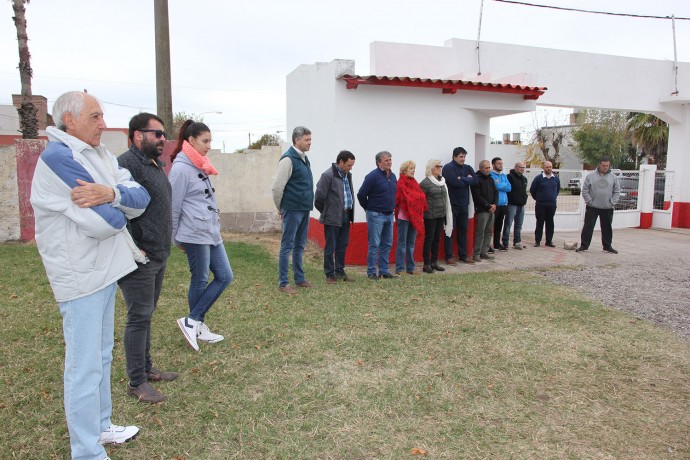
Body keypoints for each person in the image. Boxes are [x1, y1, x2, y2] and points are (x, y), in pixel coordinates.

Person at [30, 91, 147, 459]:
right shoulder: (59, 157)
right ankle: (85, 451)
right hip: (80, 276)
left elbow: (140, 197)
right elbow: (106, 223)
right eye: (95, 116)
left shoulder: (99, 155)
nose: (102, 123)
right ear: (70, 121)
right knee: (83, 366)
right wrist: (118, 201)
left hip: (104, 270)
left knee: (101, 354)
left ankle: (100, 426)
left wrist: (109, 192)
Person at [117, 113, 177, 404]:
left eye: (163, 134)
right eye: (157, 134)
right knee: (138, 317)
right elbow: (119, 207)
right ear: (137, 135)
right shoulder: (126, 165)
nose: (163, 139)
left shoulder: (153, 164)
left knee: (146, 314)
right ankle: (136, 381)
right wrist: (134, 247)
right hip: (139, 257)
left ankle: (146, 368)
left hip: (158, 252)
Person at [170, 120, 233, 352]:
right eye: (205, 141)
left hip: (210, 231)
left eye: (210, 141)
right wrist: (176, 237)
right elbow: (173, 207)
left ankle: (194, 321)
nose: (208, 146)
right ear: (191, 141)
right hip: (193, 233)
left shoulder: (200, 165)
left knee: (225, 276)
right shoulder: (180, 169)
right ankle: (194, 323)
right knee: (200, 278)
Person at [272, 126, 314, 294]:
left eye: (310, 139)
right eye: (307, 140)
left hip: (304, 209)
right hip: (292, 209)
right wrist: (280, 208)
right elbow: (277, 188)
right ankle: (283, 283)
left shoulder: (304, 159)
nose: (310, 143)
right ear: (297, 140)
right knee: (287, 246)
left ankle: (299, 279)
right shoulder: (288, 159)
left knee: (300, 245)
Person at [314, 150, 356, 283]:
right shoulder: (327, 175)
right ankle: (329, 275)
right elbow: (319, 198)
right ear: (341, 162)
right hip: (332, 217)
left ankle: (340, 271)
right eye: (349, 165)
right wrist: (327, 212)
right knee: (331, 247)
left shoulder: (347, 175)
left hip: (345, 215)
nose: (351, 168)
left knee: (342, 245)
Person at [357, 151, 398, 280]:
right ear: (379, 162)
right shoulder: (372, 176)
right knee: (374, 244)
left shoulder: (393, 176)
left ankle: (384, 271)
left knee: (387, 244)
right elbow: (361, 195)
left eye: (390, 159)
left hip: (389, 214)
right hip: (376, 214)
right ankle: (371, 272)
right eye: (386, 160)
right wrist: (368, 208)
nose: (389, 162)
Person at [576, 157, 621, 254]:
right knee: (588, 227)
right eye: (604, 166)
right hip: (593, 207)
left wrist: (612, 202)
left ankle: (607, 246)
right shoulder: (590, 176)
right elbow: (585, 190)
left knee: (607, 228)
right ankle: (584, 246)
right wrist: (589, 201)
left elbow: (617, 191)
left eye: (607, 166)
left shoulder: (614, 177)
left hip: (607, 207)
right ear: (599, 165)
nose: (606, 168)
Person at [442, 146, 477, 264]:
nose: (463, 159)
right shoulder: (448, 168)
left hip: (464, 204)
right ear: (454, 157)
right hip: (452, 204)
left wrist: (461, 178)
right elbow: (454, 182)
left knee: (463, 230)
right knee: (450, 230)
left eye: (464, 156)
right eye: (461, 156)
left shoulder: (468, 168)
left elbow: (476, 181)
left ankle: (463, 255)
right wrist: (467, 179)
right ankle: (449, 256)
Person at [394, 160, 427, 275]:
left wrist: (415, 200)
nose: (413, 171)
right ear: (404, 170)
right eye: (411, 168)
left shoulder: (414, 182)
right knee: (402, 243)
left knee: (411, 244)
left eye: (414, 168)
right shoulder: (401, 182)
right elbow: (403, 198)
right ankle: (400, 269)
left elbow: (421, 196)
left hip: (414, 217)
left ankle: (411, 268)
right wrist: (414, 199)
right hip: (404, 217)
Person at [420, 160, 453, 273]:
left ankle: (434, 261)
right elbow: (421, 200)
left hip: (441, 214)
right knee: (429, 239)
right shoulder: (425, 183)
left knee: (437, 239)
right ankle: (427, 263)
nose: (440, 168)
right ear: (431, 168)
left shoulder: (442, 181)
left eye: (441, 166)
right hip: (430, 216)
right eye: (437, 166)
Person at [471, 160, 497, 262]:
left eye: (489, 167)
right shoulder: (476, 179)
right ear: (480, 168)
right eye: (486, 168)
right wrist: (487, 205)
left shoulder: (490, 179)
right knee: (480, 232)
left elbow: (495, 192)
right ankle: (476, 253)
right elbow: (477, 196)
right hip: (482, 210)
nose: (488, 169)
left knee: (489, 232)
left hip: (492, 209)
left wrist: (495, 204)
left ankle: (484, 252)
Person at [530, 161, 560, 248]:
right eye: (547, 167)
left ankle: (549, 241)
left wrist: (552, 197)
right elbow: (533, 190)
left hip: (552, 205)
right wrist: (539, 198)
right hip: (540, 205)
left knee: (550, 223)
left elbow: (557, 190)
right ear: (543, 168)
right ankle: (537, 241)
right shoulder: (538, 178)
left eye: (550, 167)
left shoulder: (556, 179)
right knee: (540, 222)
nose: (549, 168)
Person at [504, 162, 528, 250]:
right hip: (512, 204)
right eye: (521, 167)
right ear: (515, 167)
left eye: (523, 168)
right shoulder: (509, 177)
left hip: (521, 205)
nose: (522, 169)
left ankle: (517, 242)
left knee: (519, 225)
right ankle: (505, 242)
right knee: (508, 224)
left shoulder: (524, 179)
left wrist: (525, 198)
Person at [490, 157, 511, 252]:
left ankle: (497, 244)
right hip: (495, 204)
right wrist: (503, 185)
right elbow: (496, 186)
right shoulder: (491, 174)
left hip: (503, 204)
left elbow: (509, 188)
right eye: (498, 163)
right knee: (491, 226)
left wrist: (501, 185)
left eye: (501, 163)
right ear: (493, 165)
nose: (500, 165)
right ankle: (488, 245)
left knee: (499, 225)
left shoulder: (503, 175)